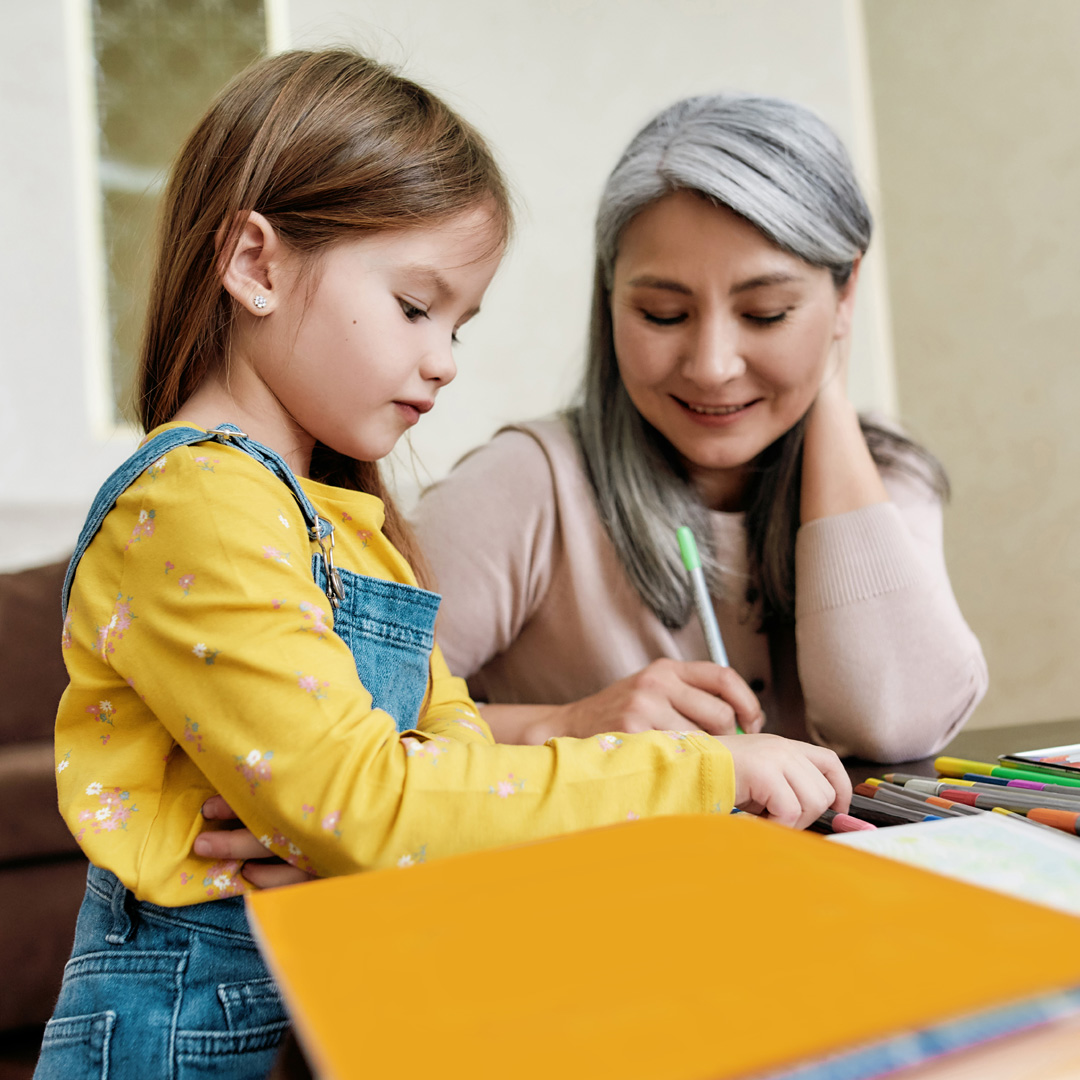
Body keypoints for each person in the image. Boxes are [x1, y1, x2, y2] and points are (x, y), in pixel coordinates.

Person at [38, 53, 850, 1079]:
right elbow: (377, 805)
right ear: (255, 263)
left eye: (460, 326)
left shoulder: (346, 524)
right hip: (180, 1038)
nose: (445, 360)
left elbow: (448, 768)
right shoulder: (197, 504)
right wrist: (696, 773)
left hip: (326, 991)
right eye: (416, 307)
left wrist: (405, 812)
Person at [411, 93, 988, 765]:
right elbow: (324, 731)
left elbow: (893, 724)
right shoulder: (526, 484)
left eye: (767, 314)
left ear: (845, 292)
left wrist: (824, 384)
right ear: (610, 300)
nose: (712, 368)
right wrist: (568, 725)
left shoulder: (886, 477)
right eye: (662, 314)